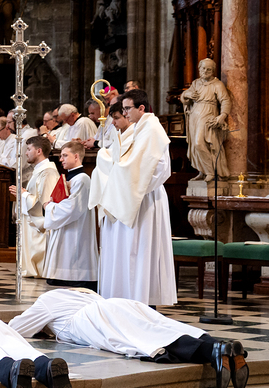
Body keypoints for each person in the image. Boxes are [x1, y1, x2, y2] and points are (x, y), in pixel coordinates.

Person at [9, 288, 248, 388]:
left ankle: (213, 353)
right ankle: (221, 347)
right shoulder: (82, 293)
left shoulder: (46, 300)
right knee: (160, 327)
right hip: (119, 303)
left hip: (92, 318)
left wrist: (43, 329)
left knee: (146, 338)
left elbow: (15, 328)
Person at [89, 89, 177, 306]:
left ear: (141, 108)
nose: (125, 113)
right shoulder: (138, 128)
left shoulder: (152, 129)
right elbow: (123, 159)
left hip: (145, 198)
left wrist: (133, 187)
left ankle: (142, 300)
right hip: (129, 194)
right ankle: (125, 299)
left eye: (128, 108)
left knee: (141, 249)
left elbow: (160, 168)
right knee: (129, 249)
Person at [41, 142, 98, 290]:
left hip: (76, 228)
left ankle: (76, 276)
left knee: (74, 251)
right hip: (67, 225)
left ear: (76, 156)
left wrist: (49, 207)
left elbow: (72, 208)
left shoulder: (82, 179)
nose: (61, 159)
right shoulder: (71, 177)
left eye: (65, 155)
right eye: (61, 156)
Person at [8, 136, 59, 278]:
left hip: (39, 225)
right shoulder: (40, 170)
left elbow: (44, 204)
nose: (26, 153)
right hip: (31, 222)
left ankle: (38, 269)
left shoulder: (48, 172)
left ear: (39, 151)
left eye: (29, 149)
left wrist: (23, 194)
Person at [180, 58, 231, 181]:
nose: (205, 71)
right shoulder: (196, 83)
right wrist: (187, 95)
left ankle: (211, 171)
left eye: (209, 69)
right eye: (203, 68)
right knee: (194, 145)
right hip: (194, 116)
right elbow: (183, 97)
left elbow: (225, 100)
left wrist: (222, 116)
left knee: (200, 143)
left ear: (213, 71)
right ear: (199, 69)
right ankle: (202, 171)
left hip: (208, 114)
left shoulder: (217, 84)